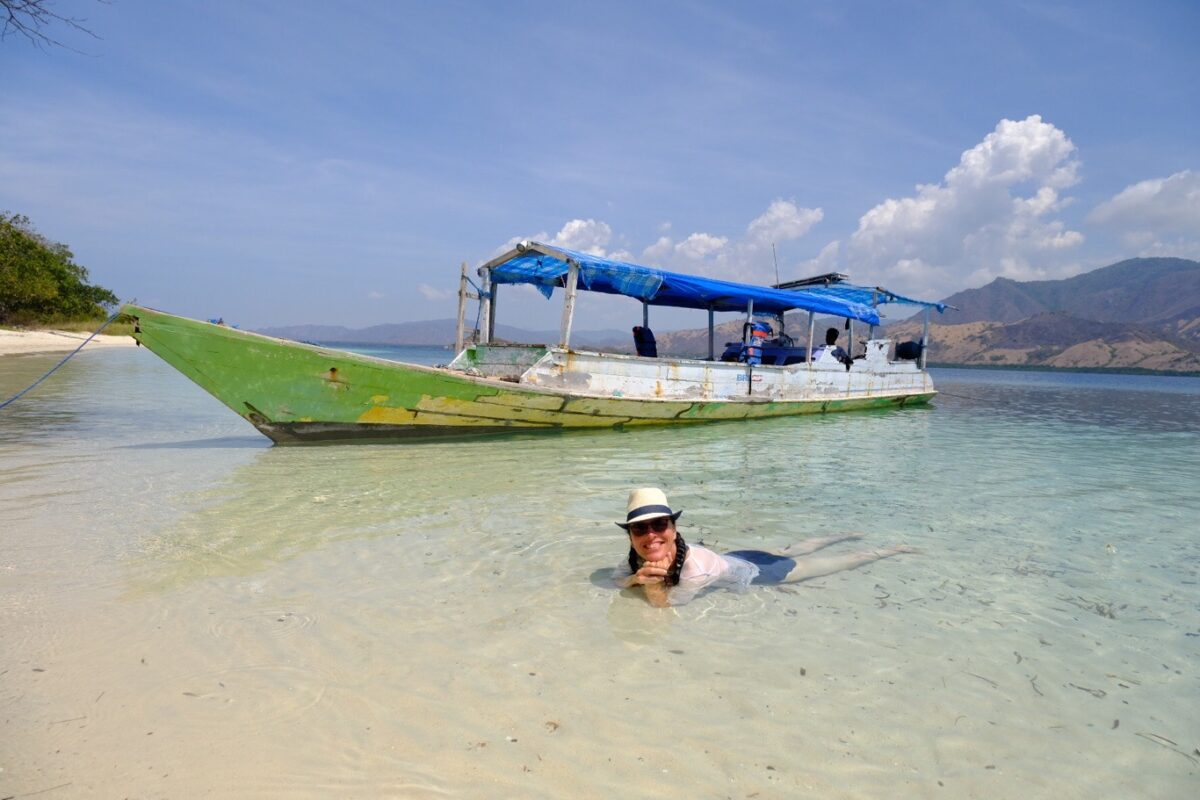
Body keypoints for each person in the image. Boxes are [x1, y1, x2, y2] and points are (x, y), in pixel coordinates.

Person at [612, 487, 914, 607]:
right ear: (630, 535)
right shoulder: (635, 557)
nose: (650, 535)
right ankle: (844, 533)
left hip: (760, 573)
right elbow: (618, 581)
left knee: (835, 563)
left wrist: (650, 586)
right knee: (791, 547)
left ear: (674, 528)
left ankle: (890, 550)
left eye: (659, 525)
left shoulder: (694, 568)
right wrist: (636, 579)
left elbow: (665, 605)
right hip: (735, 556)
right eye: (640, 528)